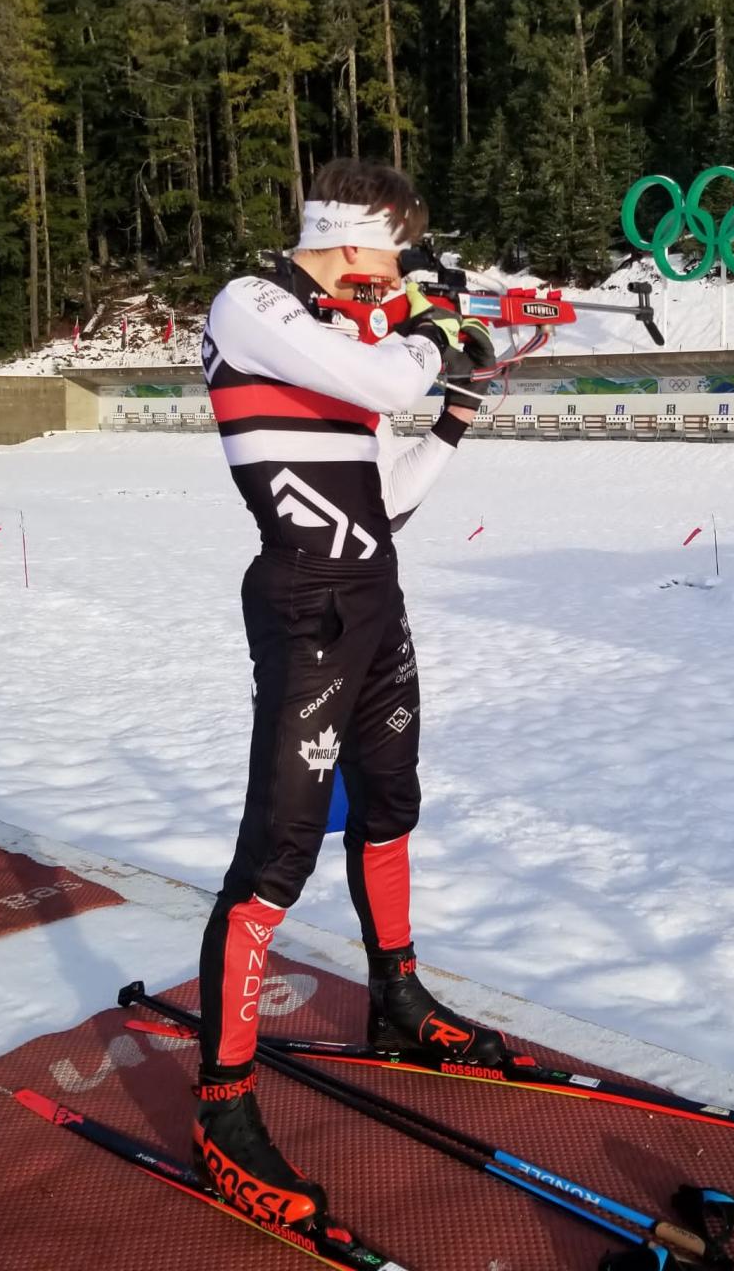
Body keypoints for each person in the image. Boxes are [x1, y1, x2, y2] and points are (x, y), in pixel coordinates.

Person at [193, 158, 503, 1229]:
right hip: (304, 607)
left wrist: (456, 408)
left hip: (373, 597)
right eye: (392, 253)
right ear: (348, 236)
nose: (395, 276)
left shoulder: (348, 345)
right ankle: (223, 1105)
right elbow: (387, 381)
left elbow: (387, 492)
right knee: (277, 853)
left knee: (391, 803)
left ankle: (397, 997)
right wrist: (435, 333)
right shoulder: (255, 304)